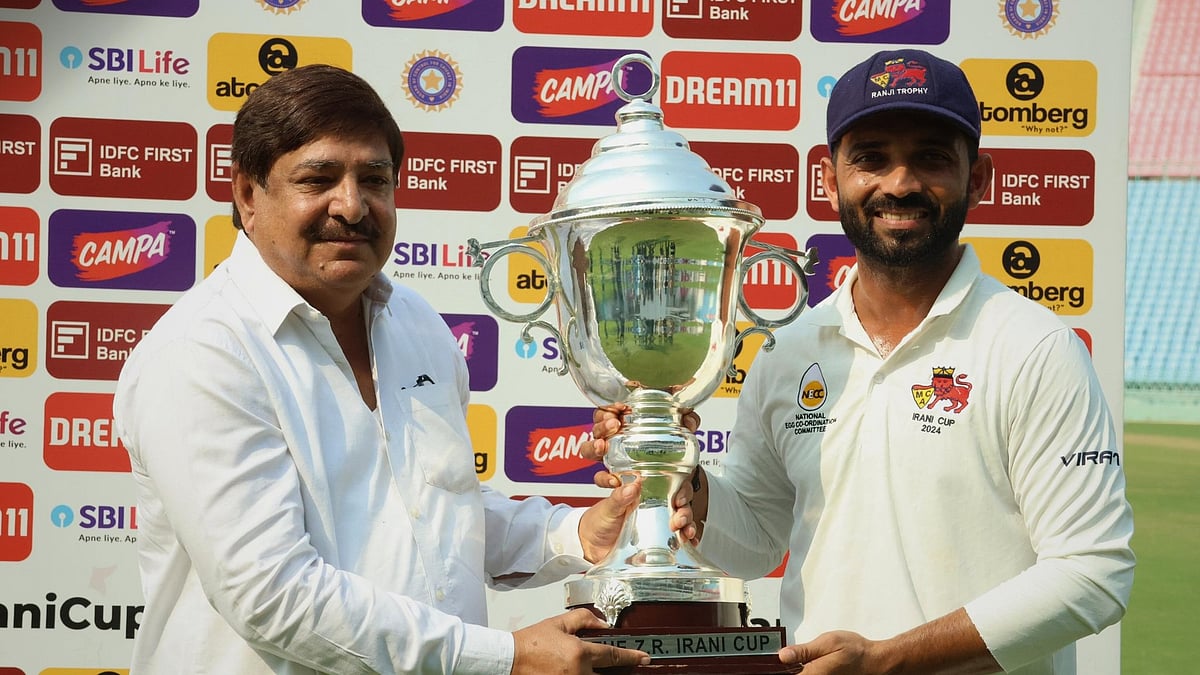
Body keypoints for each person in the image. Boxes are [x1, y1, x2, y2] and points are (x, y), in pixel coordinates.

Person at [588, 49, 1134, 675]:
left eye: (930, 157)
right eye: (871, 157)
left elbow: (1094, 573)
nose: (899, 184)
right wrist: (688, 486)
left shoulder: (1033, 348)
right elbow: (756, 540)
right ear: (829, 178)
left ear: (978, 177)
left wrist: (889, 660)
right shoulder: (789, 352)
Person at [113, 64, 669, 674]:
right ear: (248, 194)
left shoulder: (416, 323)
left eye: (374, 179)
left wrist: (577, 537)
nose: (351, 207)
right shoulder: (203, 351)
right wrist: (502, 658)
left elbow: (434, 508)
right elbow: (272, 596)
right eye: (318, 178)